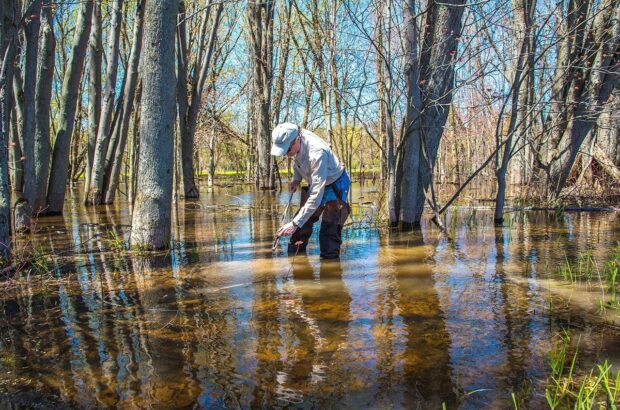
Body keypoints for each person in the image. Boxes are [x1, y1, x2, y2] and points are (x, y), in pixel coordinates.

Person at [271, 123, 350, 259]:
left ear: (297, 140)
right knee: (301, 226)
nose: (285, 154)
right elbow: (297, 160)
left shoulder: (317, 153)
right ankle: (296, 262)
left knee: (329, 233)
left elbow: (316, 195)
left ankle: (330, 272)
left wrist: (295, 223)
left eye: (287, 150)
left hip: (335, 184)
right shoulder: (295, 138)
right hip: (317, 183)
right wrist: (296, 179)